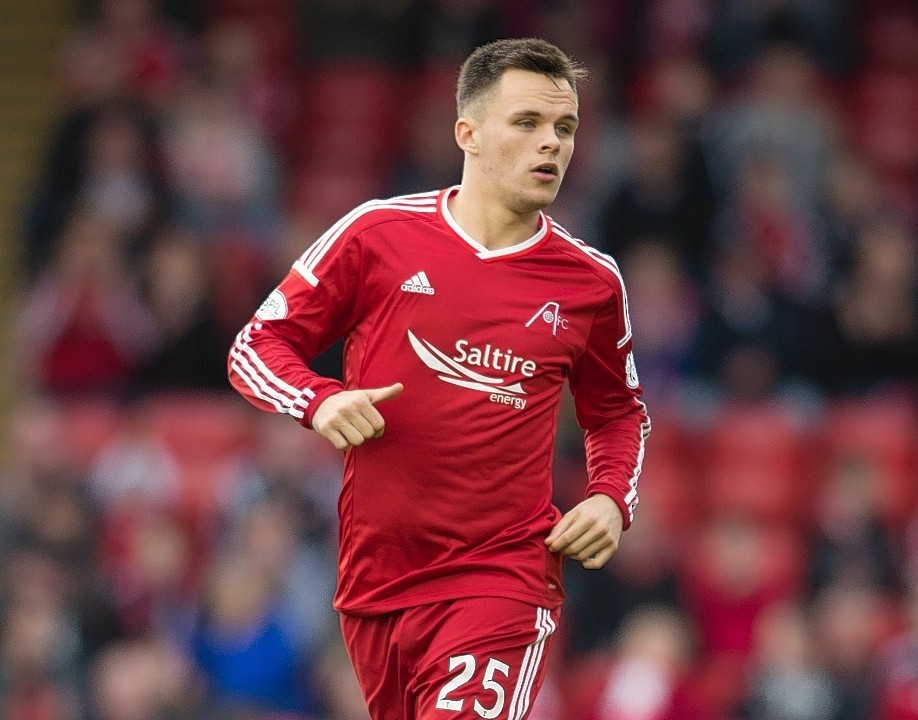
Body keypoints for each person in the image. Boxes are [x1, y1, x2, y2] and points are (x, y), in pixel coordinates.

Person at [227, 37, 650, 720]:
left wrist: (609, 498)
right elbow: (257, 344)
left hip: (502, 578)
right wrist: (320, 400)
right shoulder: (377, 235)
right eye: (528, 123)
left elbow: (618, 412)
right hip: (376, 583)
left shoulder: (590, 282)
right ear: (469, 133)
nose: (552, 144)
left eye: (565, 128)